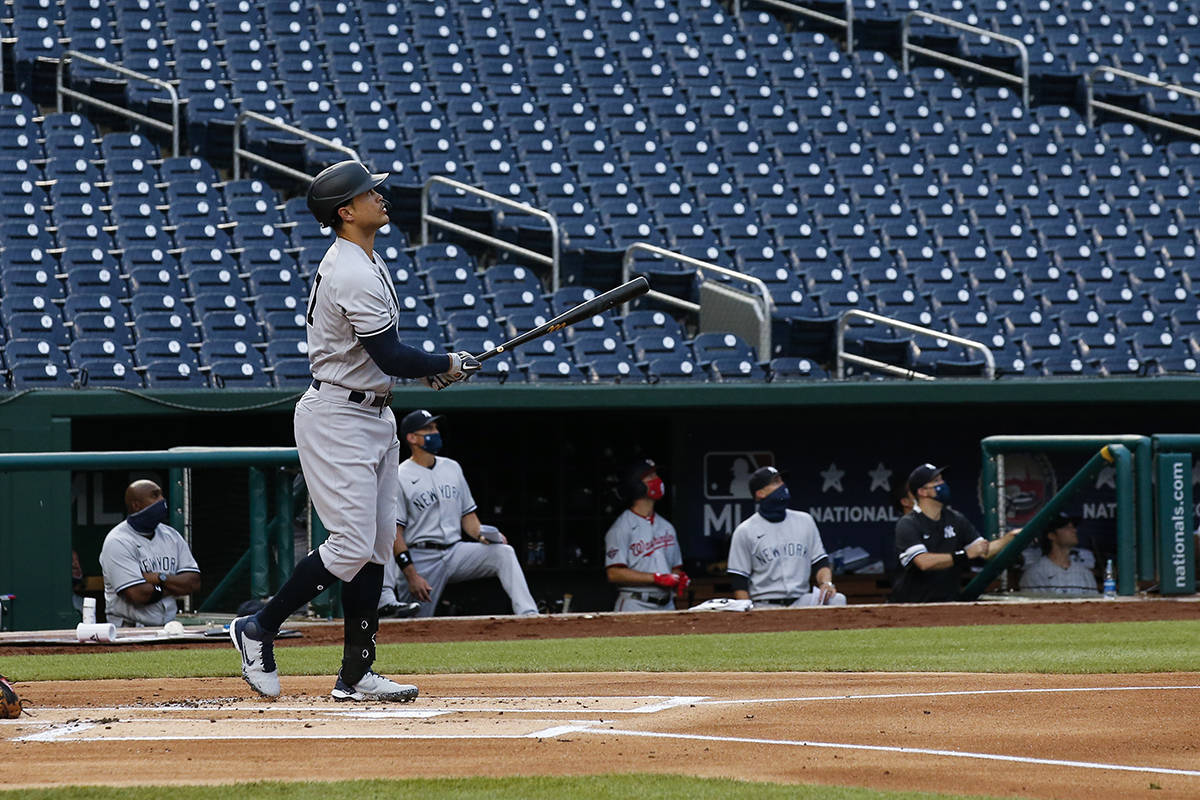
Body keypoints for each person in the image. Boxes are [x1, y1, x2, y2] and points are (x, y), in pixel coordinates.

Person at [229, 161, 481, 701]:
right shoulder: (351, 270)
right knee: (347, 546)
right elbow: (388, 352)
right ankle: (258, 628)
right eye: (370, 193)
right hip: (338, 416)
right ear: (346, 211)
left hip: (373, 412)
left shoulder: (367, 258)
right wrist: (443, 360)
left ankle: (356, 673)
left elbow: (384, 358)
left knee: (372, 549)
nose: (381, 197)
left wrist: (433, 368)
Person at [379, 409, 538, 617]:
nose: (435, 432)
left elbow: (468, 518)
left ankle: (529, 615)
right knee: (414, 622)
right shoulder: (400, 474)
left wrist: (483, 535)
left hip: (455, 552)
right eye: (428, 428)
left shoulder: (452, 467)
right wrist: (411, 575)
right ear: (411, 438)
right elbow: (395, 534)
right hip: (421, 556)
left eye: (435, 427)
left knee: (503, 553)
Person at [891, 463, 1018, 603]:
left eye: (941, 480)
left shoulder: (955, 518)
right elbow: (924, 562)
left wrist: (1010, 537)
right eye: (936, 481)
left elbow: (984, 551)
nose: (943, 484)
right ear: (922, 491)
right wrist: (965, 554)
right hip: (914, 604)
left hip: (949, 602)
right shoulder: (908, 523)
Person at [727, 466, 846, 607]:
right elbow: (739, 580)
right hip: (764, 604)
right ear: (760, 493)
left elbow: (820, 562)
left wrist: (826, 583)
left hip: (801, 601)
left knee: (837, 599)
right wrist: (747, 613)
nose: (782, 485)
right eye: (775, 482)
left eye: (781, 480)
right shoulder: (745, 530)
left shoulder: (805, 520)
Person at [99, 480, 201, 627]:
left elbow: (193, 582)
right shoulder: (117, 541)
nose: (162, 500)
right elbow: (138, 594)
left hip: (168, 627)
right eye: (155, 496)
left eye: (161, 495)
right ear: (136, 505)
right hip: (128, 629)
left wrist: (160, 578)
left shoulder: (171, 535)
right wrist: (173, 587)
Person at [604, 458, 689, 611]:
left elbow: (675, 567)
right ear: (636, 484)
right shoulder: (622, 527)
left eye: (656, 475)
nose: (657, 480)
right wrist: (655, 578)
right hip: (635, 603)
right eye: (650, 477)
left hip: (667, 604)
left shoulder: (667, 527)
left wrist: (678, 578)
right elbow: (614, 573)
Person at [1019, 512, 1099, 595]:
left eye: (1073, 527)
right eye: (1067, 527)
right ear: (1051, 535)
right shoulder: (1036, 573)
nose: (1074, 530)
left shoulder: (1084, 573)